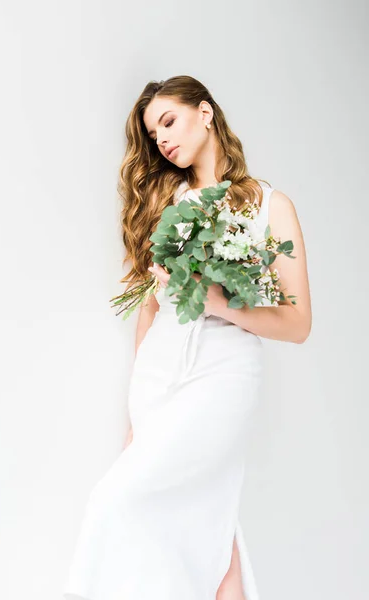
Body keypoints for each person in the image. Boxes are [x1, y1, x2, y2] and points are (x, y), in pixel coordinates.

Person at [63, 75, 312, 600]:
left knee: (117, 500)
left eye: (169, 122)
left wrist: (219, 301)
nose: (163, 141)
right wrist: (135, 411)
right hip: (160, 373)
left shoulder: (269, 205)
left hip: (225, 371)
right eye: (154, 136)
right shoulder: (165, 205)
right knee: (208, 520)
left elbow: (298, 323)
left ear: (205, 112)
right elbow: (148, 312)